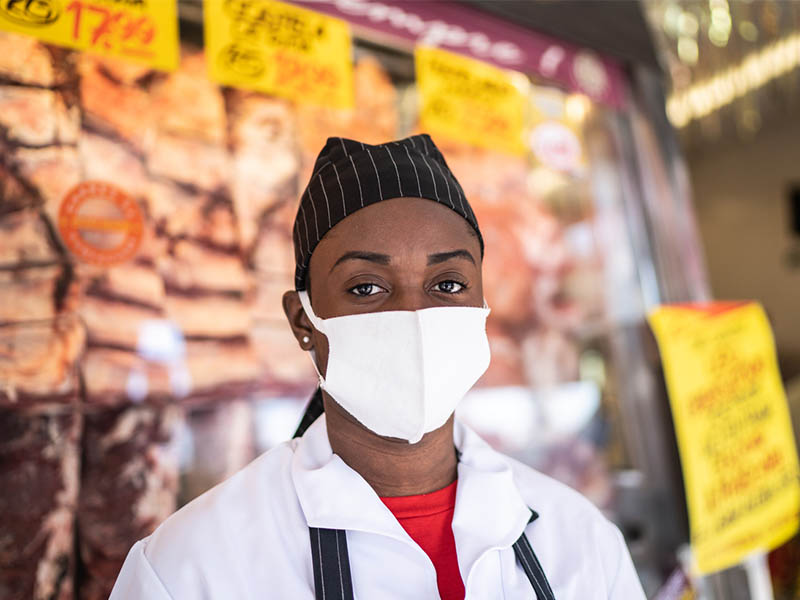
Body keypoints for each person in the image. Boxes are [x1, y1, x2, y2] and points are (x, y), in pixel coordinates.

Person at [110, 135, 646, 599]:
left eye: (449, 285)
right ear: (303, 320)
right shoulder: (189, 569)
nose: (413, 316)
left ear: (483, 305)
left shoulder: (580, 539)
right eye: (366, 288)